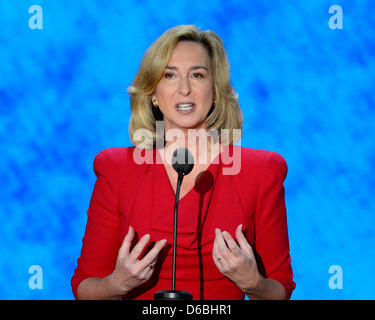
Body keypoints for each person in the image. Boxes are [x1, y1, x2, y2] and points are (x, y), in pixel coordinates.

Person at [71, 25, 295, 300]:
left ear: (215, 89)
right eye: (170, 76)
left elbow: (279, 291)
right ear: (153, 93)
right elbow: (85, 288)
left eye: (198, 75)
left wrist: (254, 283)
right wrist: (117, 283)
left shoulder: (262, 170)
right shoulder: (116, 168)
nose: (185, 89)